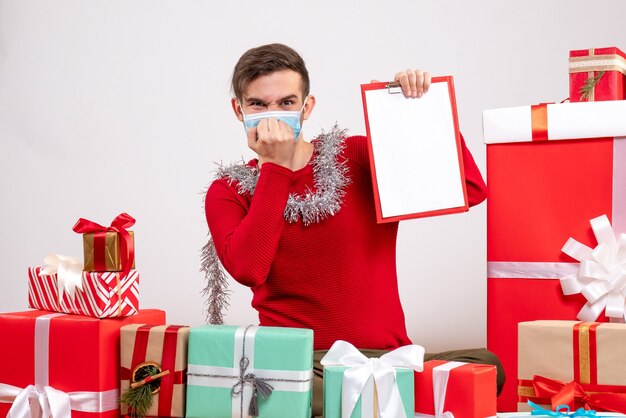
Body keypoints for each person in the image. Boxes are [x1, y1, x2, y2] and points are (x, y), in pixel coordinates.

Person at [204, 43, 503, 417]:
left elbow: (470, 189)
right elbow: (249, 269)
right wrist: (274, 169)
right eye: (259, 105)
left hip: (387, 358)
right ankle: (373, 398)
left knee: (487, 367)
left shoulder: (356, 157)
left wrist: (415, 114)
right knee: (286, 392)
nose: (273, 117)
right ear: (239, 109)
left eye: (286, 102)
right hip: (304, 367)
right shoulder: (229, 190)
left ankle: (370, 393)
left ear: (307, 107)